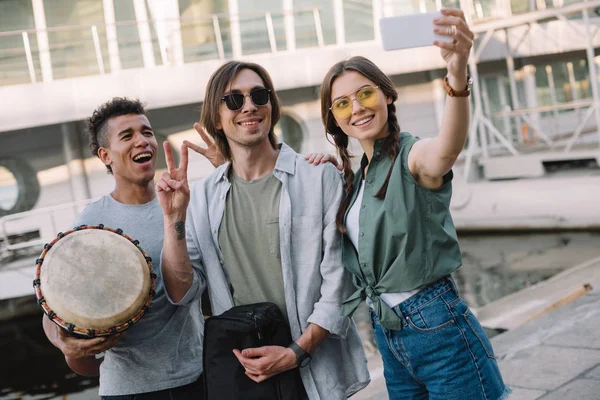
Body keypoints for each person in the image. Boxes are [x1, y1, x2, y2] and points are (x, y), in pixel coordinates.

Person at [313, 8, 510, 400]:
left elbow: (446, 150)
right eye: (342, 104)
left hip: (437, 326)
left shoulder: (411, 155)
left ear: (387, 94)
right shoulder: (356, 178)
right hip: (389, 335)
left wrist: (457, 75)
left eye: (366, 93)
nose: (357, 108)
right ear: (334, 119)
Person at [157, 60, 369, 399]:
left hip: (315, 368)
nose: (250, 106)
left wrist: (296, 352)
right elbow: (183, 290)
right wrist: (173, 219)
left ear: (272, 106)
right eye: (234, 100)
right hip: (247, 374)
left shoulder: (317, 178)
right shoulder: (202, 197)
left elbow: (340, 282)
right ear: (217, 118)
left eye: (259, 95)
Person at [42, 98, 217, 400]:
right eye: (127, 136)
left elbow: (184, 295)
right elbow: (54, 303)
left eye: (147, 132)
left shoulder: (185, 203)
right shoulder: (90, 225)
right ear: (105, 155)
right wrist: (63, 342)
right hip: (127, 390)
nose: (142, 140)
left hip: (197, 377)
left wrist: (176, 216)